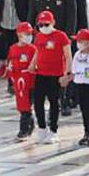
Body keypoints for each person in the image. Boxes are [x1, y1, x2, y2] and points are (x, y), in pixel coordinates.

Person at [27, 11, 72, 144]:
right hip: (41, 74)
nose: (43, 26)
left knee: (54, 102)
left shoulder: (61, 36)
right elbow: (37, 52)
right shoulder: (39, 36)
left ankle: (53, 130)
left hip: (56, 74)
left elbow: (68, 56)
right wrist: (32, 64)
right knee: (38, 102)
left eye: (46, 24)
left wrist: (67, 73)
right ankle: (42, 128)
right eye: (40, 24)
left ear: (53, 22)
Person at [69, 28, 89, 146]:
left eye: (80, 41)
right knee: (83, 108)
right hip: (79, 82)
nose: (78, 44)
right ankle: (86, 131)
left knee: (88, 107)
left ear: (88, 42)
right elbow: (73, 70)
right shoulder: (77, 55)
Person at [6, 22, 37, 141]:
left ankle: (24, 129)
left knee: (27, 105)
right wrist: (10, 76)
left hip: (30, 81)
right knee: (22, 106)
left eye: (30, 34)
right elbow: (10, 63)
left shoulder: (33, 49)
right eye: (26, 33)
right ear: (19, 34)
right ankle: (30, 124)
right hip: (18, 81)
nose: (29, 36)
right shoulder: (13, 49)